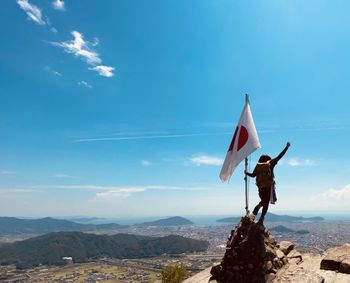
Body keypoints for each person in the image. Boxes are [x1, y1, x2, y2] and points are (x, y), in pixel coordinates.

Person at [244, 142, 291, 224]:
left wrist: (246, 172)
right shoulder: (270, 163)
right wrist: (287, 147)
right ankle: (261, 218)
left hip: (260, 188)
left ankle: (258, 208)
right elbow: (280, 156)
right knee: (266, 203)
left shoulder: (258, 166)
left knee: (264, 201)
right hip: (268, 188)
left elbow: (253, 175)